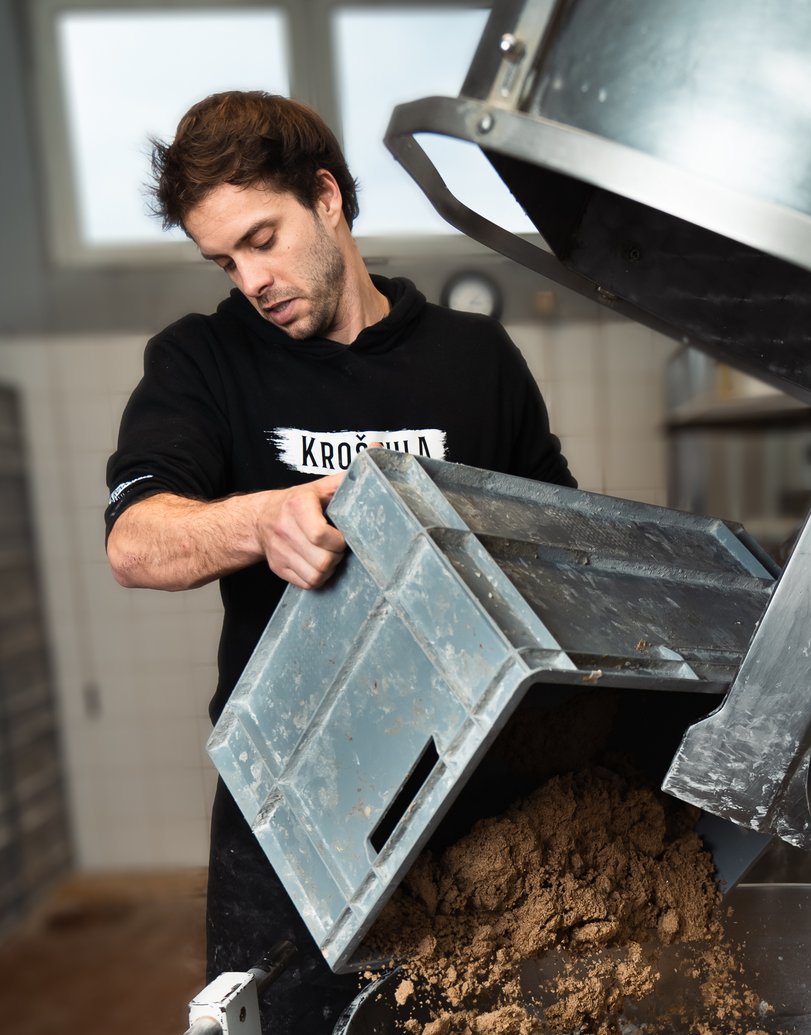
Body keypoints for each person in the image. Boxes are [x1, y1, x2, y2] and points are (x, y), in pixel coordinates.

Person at [105, 90, 575, 1033]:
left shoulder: (477, 359)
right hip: (293, 816)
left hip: (474, 808)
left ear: (326, 198)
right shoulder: (200, 361)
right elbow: (136, 541)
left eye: (262, 239)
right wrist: (261, 518)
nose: (251, 280)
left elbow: (558, 553)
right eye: (224, 261)